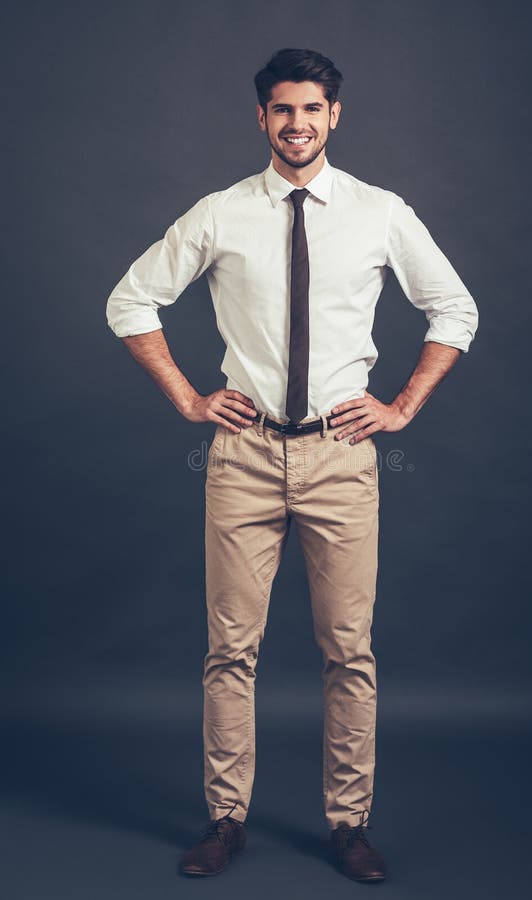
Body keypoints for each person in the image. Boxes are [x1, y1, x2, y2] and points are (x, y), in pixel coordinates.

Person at [106, 47, 478, 884]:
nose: (297, 124)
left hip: (341, 454)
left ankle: (348, 824)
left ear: (333, 115)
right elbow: (130, 299)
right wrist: (188, 397)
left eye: (311, 109)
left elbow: (453, 307)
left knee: (348, 648)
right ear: (261, 118)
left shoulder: (379, 211)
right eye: (282, 110)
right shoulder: (221, 212)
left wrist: (400, 407)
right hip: (240, 452)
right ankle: (225, 818)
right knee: (229, 650)